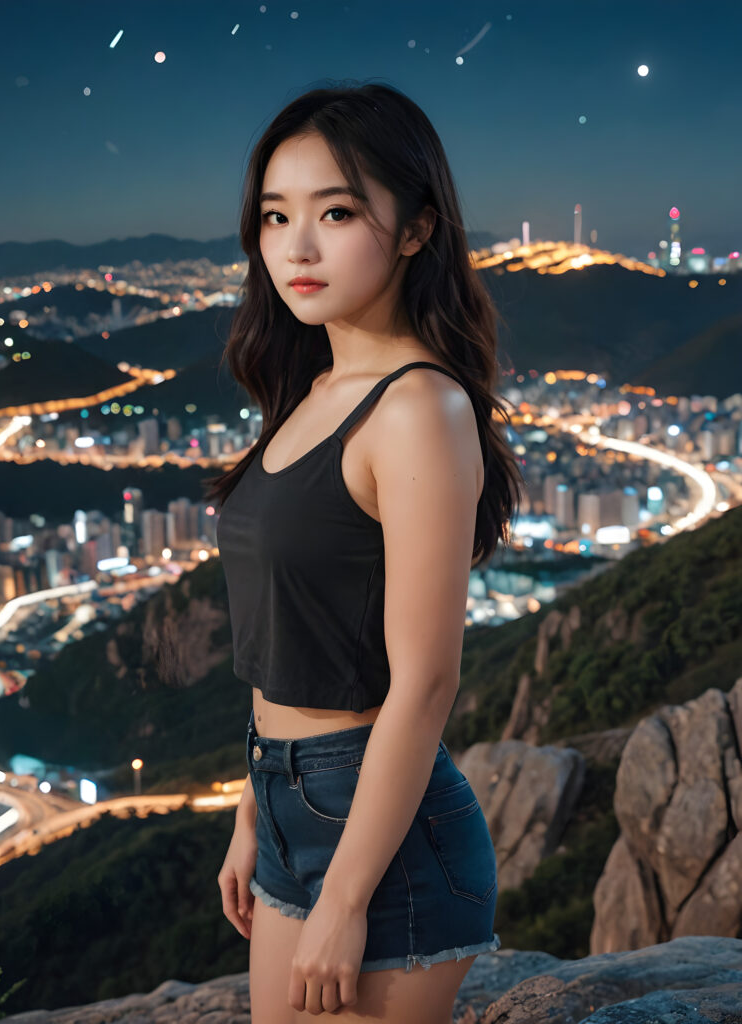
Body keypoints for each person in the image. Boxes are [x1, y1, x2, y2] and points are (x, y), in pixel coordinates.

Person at [205, 80, 523, 1023]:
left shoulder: (420, 408)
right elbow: (288, 635)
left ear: (417, 228)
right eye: (275, 215)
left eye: (336, 212)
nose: (294, 248)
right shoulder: (311, 391)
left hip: (384, 835)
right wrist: (254, 811)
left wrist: (344, 898)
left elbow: (423, 683)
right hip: (289, 801)